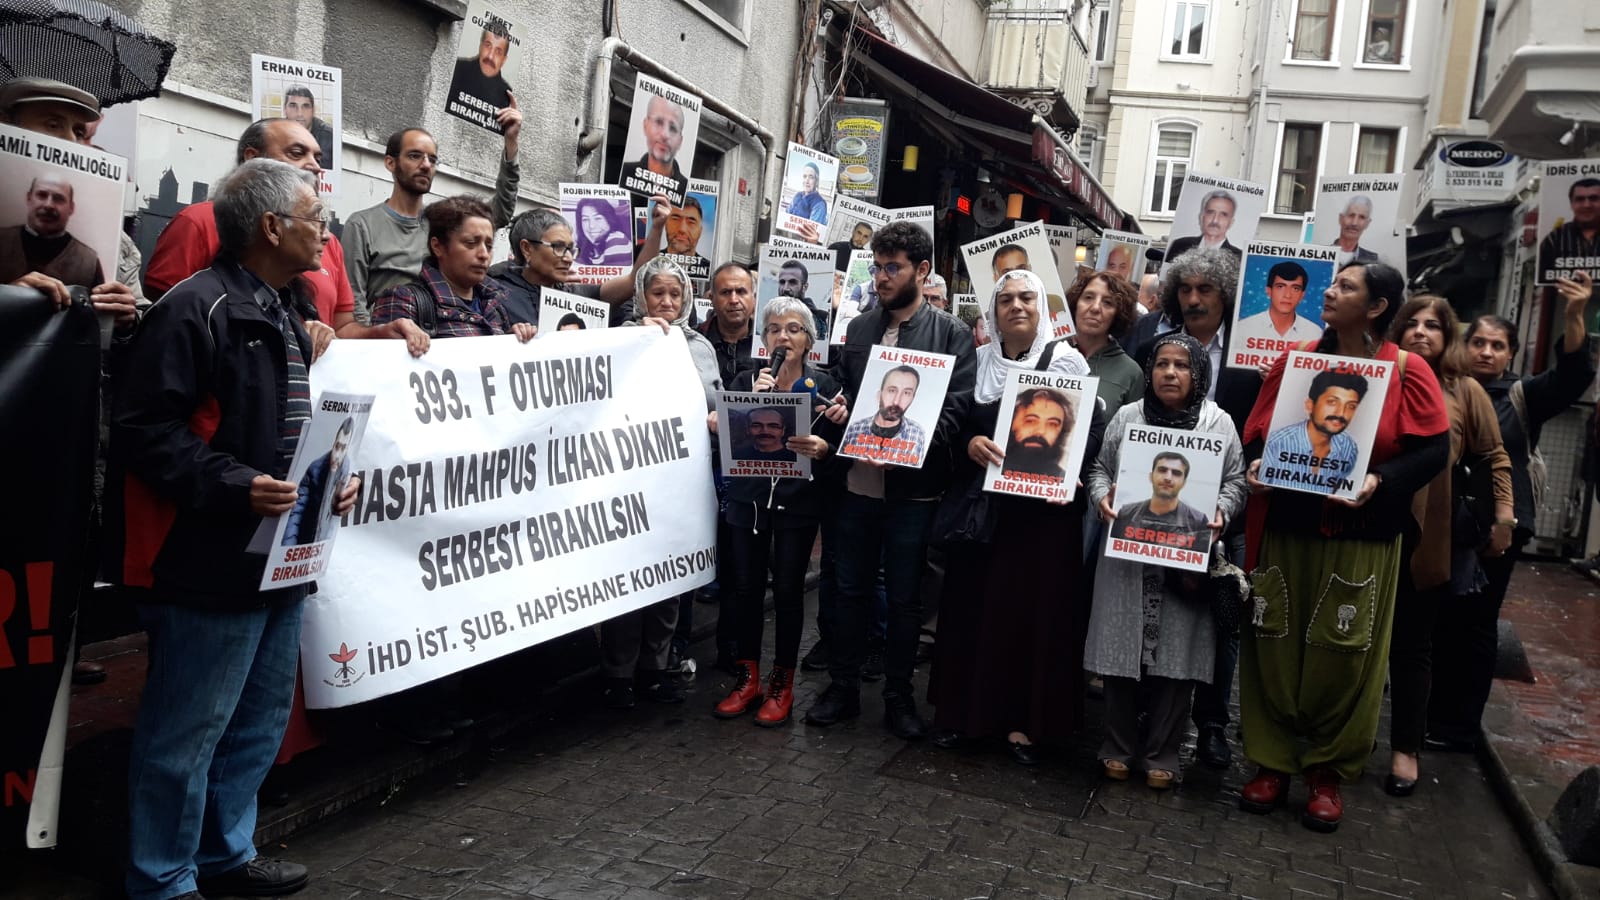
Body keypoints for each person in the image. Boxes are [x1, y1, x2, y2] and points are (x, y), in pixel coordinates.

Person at [114, 158, 362, 900]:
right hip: (207, 559)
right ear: (271, 227)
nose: (327, 232)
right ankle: (162, 879)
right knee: (187, 731)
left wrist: (327, 482)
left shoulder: (288, 309)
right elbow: (143, 432)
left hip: (279, 556)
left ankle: (225, 854)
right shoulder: (196, 308)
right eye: (315, 217)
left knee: (256, 720)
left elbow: (289, 432)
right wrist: (235, 485)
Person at [1238, 261, 1449, 833]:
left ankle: (1325, 773)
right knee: (1273, 641)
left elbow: (1433, 450)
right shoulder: (1298, 360)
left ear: (1377, 307)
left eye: (1345, 287)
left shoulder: (1407, 370)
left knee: (1346, 653)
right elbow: (1257, 432)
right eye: (1333, 284)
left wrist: (1381, 480)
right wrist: (1256, 463)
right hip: (1288, 528)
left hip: (1363, 535)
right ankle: (1271, 763)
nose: (1328, 292)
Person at [805, 220, 976, 739]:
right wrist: (837, 410)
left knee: (904, 599)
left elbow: (956, 410)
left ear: (922, 271)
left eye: (892, 268)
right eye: (877, 267)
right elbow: (847, 392)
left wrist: (907, 452)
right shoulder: (859, 329)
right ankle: (843, 687)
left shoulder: (951, 333)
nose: (880, 277)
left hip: (912, 493)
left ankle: (899, 697)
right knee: (849, 590)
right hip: (856, 486)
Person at [929, 269, 1097, 765]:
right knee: (972, 612)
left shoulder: (1066, 362)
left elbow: (1089, 431)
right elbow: (950, 424)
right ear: (993, 311)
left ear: (1042, 307)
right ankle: (966, 716)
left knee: (1031, 616)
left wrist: (1071, 471)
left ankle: (1026, 723)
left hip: (1041, 521)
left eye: (1027, 298)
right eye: (1006, 300)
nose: (1017, 306)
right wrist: (970, 443)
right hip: (984, 516)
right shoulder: (977, 362)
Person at [1427, 271, 1595, 752]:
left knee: (1476, 624)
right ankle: (1427, 713)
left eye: (1497, 346)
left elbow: (1572, 376)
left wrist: (1576, 314)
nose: (1486, 352)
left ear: (1511, 354)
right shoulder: (1443, 388)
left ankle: (1459, 728)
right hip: (1442, 520)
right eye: (1478, 342)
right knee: (1436, 619)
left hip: (1498, 525)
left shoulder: (1523, 396)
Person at [1087, 332, 1246, 789]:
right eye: (1161, 364)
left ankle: (1164, 752)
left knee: (1179, 659)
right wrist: (1102, 497)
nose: (1170, 373)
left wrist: (1222, 510)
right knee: (1119, 653)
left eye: (1182, 365)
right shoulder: (1128, 417)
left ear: (1199, 374)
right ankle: (1116, 746)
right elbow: (1100, 468)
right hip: (1127, 557)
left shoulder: (1218, 423)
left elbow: (1235, 480)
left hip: (1186, 562)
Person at [144, 119, 429, 355]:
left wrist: (382, 333)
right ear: (252, 159)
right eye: (296, 153)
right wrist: (287, 336)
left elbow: (341, 328)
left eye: (318, 157)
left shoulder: (328, 243)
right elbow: (168, 326)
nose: (314, 166)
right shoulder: (197, 222)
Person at [1382, 294, 1513, 797]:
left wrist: (1504, 516)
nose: (1421, 332)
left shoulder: (1464, 389)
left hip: (1430, 529)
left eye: (1433, 325)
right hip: (1369, 521)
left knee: (1413, 643)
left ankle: (1405, 748)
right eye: (1412, 323)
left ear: (1447, 336)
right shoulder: (1379, 376)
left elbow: (1494, 456)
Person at [712, 297, 847, 726]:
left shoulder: (825, 387)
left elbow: (842, 451)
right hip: (748, 502)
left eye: (792, 329)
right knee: (746, 590)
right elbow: (722, 434)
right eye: (773, 329)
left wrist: (826, 447)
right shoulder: (747, 379)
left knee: (788, 592)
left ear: (809, 340)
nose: (782, 336)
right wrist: (734, 412)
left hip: (798, 505)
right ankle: (747, 678)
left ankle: (781, 684)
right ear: (763, 339)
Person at [601, 256, 721, 708]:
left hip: (683, 483)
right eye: (658, 293)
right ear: (642, 297)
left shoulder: (700, 346)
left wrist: (715, 418)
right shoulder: (621, 339)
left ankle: (656, 668)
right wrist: (640, 339)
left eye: (675, 293)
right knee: (630, 580)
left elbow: (713, 400)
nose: (667, 301)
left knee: (671, 578)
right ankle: (618, 675)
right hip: (633, 483)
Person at [344, 120, 522, 322]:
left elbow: (500, 211)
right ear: (390, 163)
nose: (426, 165)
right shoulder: (362, 225)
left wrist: (511, 143)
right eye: (414, 156)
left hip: (448, 331)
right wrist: (378, 337)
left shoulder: (443, 222)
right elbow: (353, 305)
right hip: (391, 333)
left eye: (433, 159)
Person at [369, 195, 537, 342]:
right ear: (438, 246)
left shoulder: (495, 303)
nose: (484, 254)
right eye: (471, 243)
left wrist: (511, 342)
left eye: (489, 246)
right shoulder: (405, 301)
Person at [487, 202, 666, 328]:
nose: (568, 258)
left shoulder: (576, 295)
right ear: (527, 248)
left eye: (570, 249)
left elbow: (634, 280)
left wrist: (657, 228)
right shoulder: (491, 292)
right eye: (558, 247)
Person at [1260, 370, 1369, 495]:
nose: (1341, 413)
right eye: (1332, 402)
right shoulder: (1278, 442)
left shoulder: (1348, 446)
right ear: (1310, 405)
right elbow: (1259, 490)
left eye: (1351, 406)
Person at [0, 176, 102, 288]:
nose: (48, 205)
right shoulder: (3, 240)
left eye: (58, 199)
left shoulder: (89, 262)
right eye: (42, 195)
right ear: (28, 198)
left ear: (71, 208)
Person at [1068, 270, 1145, 412]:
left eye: (1108, 303)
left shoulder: (1130, 373)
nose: (1095, 308)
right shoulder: (1048, 354)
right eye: (1088, 297)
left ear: (1118, 314)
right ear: (1075, 303)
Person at [1110, 451, 1213, 546]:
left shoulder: (1198, 521)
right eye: (1162, 470)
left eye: (1176, 473)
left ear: (1184, 483)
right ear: (1151, 476)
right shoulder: (1126, 513)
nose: (1168, 478)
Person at [283, 417, 355, 546]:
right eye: (337, 447)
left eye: (343, 449)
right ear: (333, 444)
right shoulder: (314, 470)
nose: (337, 455)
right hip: (306, 542)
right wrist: (288, 548)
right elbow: (296, 513)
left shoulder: (348, 468)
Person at [839, 366, 928, 462]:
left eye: (906, 393)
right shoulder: (854, 429)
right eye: (892, 390)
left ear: (912, 398)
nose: (896, 401)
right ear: (879, 395)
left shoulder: (918, 434)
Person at [1234, 261, 1323, 356]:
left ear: (1302, 295)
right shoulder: (1242, 329)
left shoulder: (1315, 333)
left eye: (1295, 288)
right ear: (1268, 291)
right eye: (1280, 287)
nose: (1287, 295)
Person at [619, 94, 687, 199]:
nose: (665, 135)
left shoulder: (686, 191)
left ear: (680, 141)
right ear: (645, 125)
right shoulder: (625, 173)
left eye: (673, 128)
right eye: (659, 122)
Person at [1537, 178, 1600, 284]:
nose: (1587, 205)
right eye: (1580, 199)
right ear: (1571, 204)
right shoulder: (1555, 238)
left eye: (1594, 199)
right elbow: (1544, 283)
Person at [1001, 388, 1075, 479]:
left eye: (1052, 424)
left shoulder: (1065, 479)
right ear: (1011, 424)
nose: (1040, 431)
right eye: (1030, 421)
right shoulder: (989, 467)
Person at [448, 24, 513, 113]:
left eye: (498, 52)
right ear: (481, 46)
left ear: (503, 60)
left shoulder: (507, 96)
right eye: (488, 45)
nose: (490, 56)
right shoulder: (457, 69)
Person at [1165, 190, 1242, 263]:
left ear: (1231, 222)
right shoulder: (1179, 245)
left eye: (1223, 215)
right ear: (1202, 217)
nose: (1215, 220)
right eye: (1210, 212)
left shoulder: (1239, 257)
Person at [574, 197, 633, 267]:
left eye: (598, 218)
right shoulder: (588, 248)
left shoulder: (617, 239)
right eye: (585, 219)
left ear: (609, 219)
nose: (591, 226)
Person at [281, 85, 333, 160]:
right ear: (285, 109)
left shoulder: (330, 137)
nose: (299, 113)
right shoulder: (274, 134)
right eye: (293, 106)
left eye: (305, 106)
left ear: (313, 110)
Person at [665, 196, 712, 274]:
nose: (682, 229)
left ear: (700, 231)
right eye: (675, 219)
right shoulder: (651, 262)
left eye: (691, 222)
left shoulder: (710, 270)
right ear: (665, 225)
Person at [1330, 196, 1380, 267]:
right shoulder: (1319, 254)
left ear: (1367, 223)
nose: (1354, 223)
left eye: (1362, 217)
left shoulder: (1373, 261)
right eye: (1351, 215)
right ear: (1341, 219)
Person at [787, 162, 828, 227]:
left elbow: (811, 230)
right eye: (804, 176)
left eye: (811, 177)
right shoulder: (798, 195)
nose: (807, 181)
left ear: (817, 181)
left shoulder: (819, 204)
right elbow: (787, 213)